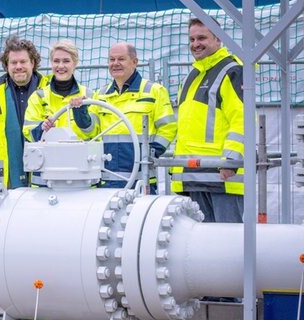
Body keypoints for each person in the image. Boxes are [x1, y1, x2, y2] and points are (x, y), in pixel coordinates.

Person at [171, 17, 244, 223]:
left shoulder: (231, 71)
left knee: (227, 244)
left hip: (223, 177)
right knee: (202, 247)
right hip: (194, 176)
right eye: (192, 39)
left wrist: (231, 160)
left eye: (202, 38)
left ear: (218, 39)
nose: (196, 44)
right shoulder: (192, 75)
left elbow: (242, 119)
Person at [92, 43, 176, 193]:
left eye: (121, 59)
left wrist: (151, 153)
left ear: (134, 62)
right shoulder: (100, 95)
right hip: (107, 180)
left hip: (141, 180)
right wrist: (80, 113)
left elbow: (168, 127)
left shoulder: (154, 91)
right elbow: (90, 131)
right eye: (111, 59)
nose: (115, 64)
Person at [0, 35, 49, 190]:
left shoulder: (48, 91)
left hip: (45, 181)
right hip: (5, 183)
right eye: (13, 62)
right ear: (6, 65)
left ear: (33, 63)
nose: (18, 66)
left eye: (23, 62)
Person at [22, 39, 97, 186]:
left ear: (75, 63)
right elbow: (28, 133)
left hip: (81, 178)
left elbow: (93, 132)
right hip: (46, 180)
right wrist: (42, 129)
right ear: (51, 63)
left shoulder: (89, 95)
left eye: (66, 61)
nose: (60, 66)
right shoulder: (38, 97)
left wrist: (81, 112)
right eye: (56, 61)